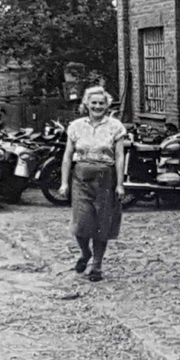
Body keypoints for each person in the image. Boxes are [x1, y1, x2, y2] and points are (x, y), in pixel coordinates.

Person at [58, 86, 126, 282]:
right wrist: (64, 183)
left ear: (107, 105)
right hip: (80, 178)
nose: (97, 106)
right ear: (86, 104)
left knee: (102, 223)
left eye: (101, 103)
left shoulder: (115, 126)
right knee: (81, 223)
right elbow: (68, 156)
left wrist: (120, 184)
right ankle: (85, 253)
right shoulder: (76, 126)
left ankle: (96, 266)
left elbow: (120, 157)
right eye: (93, 103)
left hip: (106, 178)